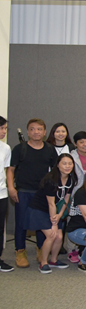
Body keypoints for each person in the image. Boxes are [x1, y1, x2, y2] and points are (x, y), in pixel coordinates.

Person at [7, 118, 58, 268]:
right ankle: (20, 251)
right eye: (32, 129)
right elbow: (11, 170)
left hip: (42, 192)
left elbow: (56, 170)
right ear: (28, 132)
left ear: (44, 132)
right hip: (23, 191)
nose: (36, 132)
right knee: (21, 222)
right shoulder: (20, 148)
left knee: (41, 222)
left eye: (39, 129)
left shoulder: (50, 149)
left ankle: (41, 249)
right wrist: (11, 188)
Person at [27, 154, 77, 273]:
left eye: (70, 163)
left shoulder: (71, 179)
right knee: (51, 235)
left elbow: (66, 199)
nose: (67, 166)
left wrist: (60, 214)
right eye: (64, 163)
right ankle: (43, 262)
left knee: (59, 237)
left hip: (55, 210)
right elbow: (51, 203)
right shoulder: (51, 179)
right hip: (40, 209)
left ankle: (53, 260)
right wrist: (54, 223)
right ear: (58, 165)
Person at [67, 131, 86, 263]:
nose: (85, 144)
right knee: (72, 221)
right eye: (81, 142)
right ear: (75, 143)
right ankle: (71, 250)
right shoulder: (70, 157)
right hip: (74, 194)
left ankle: (82, 248)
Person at [0, 116, 13, 272]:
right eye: (2, 128)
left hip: (1, 194)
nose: (4, 131)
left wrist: (10, 188)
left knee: (0, 228)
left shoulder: (5, 148)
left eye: (5, 128)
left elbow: (7, 170)